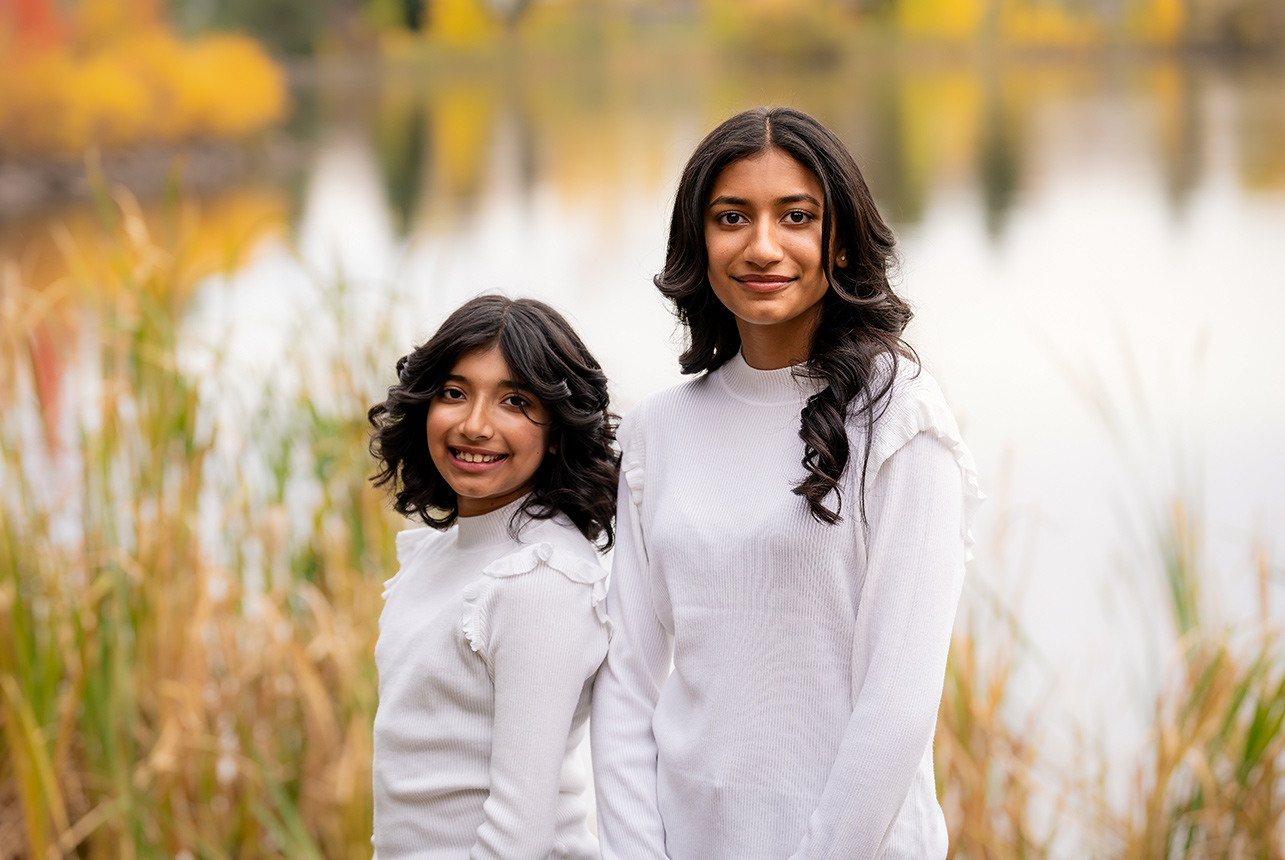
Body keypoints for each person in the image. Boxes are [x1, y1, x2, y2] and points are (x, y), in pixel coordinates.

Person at [591, 106, 984, 860]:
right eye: (731, 216)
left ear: (837, 240)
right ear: (697, 241)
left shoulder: (900, 419)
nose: (762, 246)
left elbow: (896, 706)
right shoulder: (656, 431)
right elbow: (626, 679)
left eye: (795, 216)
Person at [367, 294, 619, 860]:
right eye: (454, 393)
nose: (475, 425)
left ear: (557, 428)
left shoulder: (539, 578)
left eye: (514, 401)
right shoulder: (436, 554)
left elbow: (518, 836)